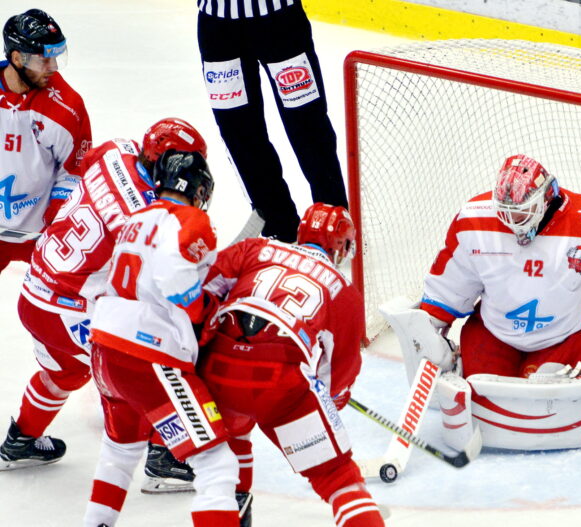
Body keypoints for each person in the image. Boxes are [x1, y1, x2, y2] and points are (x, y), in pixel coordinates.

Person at [388, 154, 581, 453]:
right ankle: (461, 363)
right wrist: (428, 335)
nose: (511, 222)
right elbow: (449, 289)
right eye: (504, 212)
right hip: (495, 333)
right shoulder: (473, 221)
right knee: (484, 391)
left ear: (547, 196)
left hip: (564, 337)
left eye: (521, 212)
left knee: (543, 393)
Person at [0, 118, 207, 471]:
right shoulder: (148, 215)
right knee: (167, 352)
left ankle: (22, 440)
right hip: (69, 308)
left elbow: (86, 171)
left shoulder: (117, 149)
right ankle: (165, 457)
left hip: (35, 291)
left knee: (66, 370)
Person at [194, 203, 384, 526]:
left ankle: (234, 505)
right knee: (338, 478)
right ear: (341, 246)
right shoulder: (345, 293)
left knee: (221, 461)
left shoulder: (255, 248)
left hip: (215, 368)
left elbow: (199, 292)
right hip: (279, 378)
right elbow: (338, 376)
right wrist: (326, 403)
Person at [83, 150, 242, 527]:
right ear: (198, 187)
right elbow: (175, 281)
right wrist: (205, 311)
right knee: (216, 463)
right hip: (147, 355)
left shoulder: (134, 218)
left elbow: (100, 281)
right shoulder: (192, 219)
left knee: (119, 455)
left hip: (104, 350)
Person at [197, 0, 348, 242]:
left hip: (278, 21)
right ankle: (279, 225)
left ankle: (332, 223)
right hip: (217, 27)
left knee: (308, 127)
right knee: (238, 133)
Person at [0, 8, 91, 274]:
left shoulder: (68, 107)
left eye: (56, 58)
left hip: (43, 237)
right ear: (17, 58)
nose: (53, 68)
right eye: (44, 60)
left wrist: (56, 225)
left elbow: (75, 172)